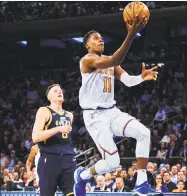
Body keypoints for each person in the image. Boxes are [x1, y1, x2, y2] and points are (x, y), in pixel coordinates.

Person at [74, 14, 161, 196]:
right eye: (96, 38)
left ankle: (141, 184)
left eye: (102, 38)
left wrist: (141, 77)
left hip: (112, 112)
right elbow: (114, 60)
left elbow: (128, 81)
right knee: (113, 163)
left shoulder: (109, 61)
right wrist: (130, 34)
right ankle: (81, 176)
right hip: (94, 117)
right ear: (87, 45)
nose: (100, 40)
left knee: (143, 133)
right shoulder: (87, 60)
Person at [32, 84, 76, 196]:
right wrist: (58, 129)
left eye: (60, 90)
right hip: (50, 159)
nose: (59, 92)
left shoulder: (69, 115)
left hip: (68, 159)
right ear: (49, 97)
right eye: (55, 91)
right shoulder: (44, 111)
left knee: (71, 193)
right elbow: (35, 137)